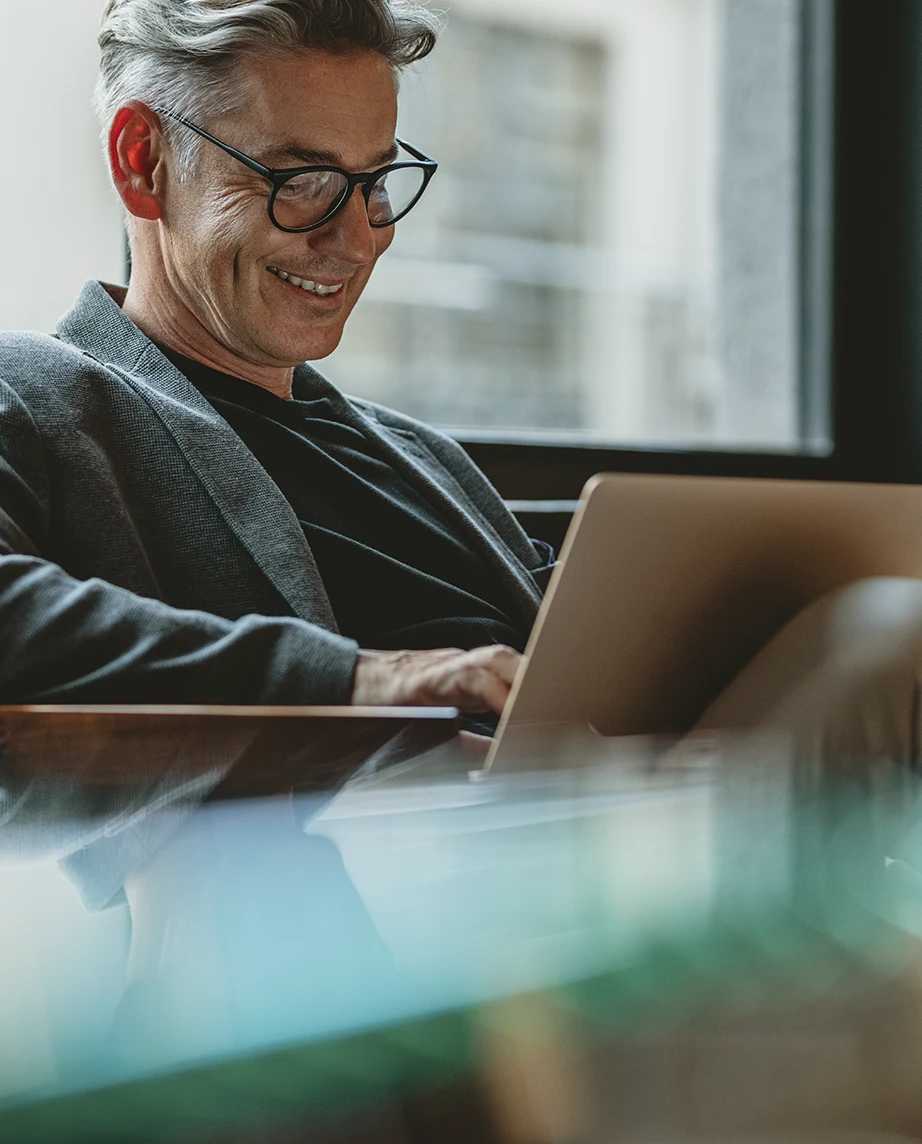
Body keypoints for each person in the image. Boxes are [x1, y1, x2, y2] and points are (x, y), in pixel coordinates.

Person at [0, 0, 553, 730]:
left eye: (374, 182)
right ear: (144, 162)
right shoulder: (30, 398)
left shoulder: (426, 459)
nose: (356, 242)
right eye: (300, 181)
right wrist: (359, 683)